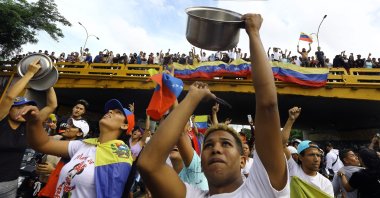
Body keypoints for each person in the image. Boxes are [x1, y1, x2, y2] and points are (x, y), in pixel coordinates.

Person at [138, 13, 289, 197]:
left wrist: (254, 34)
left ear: (243, 161)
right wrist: (192, 97)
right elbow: (149, 164)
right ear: (200, 163)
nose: (216, 149)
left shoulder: (262, 188)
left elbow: (267, 105)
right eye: (208, 146)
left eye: (225, 144)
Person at [20, 98, 134, 197]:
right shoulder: (84, 144)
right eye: (110, 110)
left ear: (124, 125)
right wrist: (34, 121)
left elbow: (112, 193)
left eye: (117, 112)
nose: (110, 111)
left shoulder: (121, 156)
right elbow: (41, 144)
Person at [0, 59, 57, 197]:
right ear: (9, 109)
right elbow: (9, 97)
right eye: (18, 107)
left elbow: (52, 105)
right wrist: (30, 73)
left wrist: (45, 79)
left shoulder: (28, 125)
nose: (22, 110)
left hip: (10, 184)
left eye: (25, 107)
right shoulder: (1, 119)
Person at [282, 107, 334, 196]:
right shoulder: (293, 170)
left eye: (318, 155)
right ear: (300, 157)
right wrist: (291, 120)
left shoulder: (325, 183)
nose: (316, 159)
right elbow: (281, 143)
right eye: (311, 155)